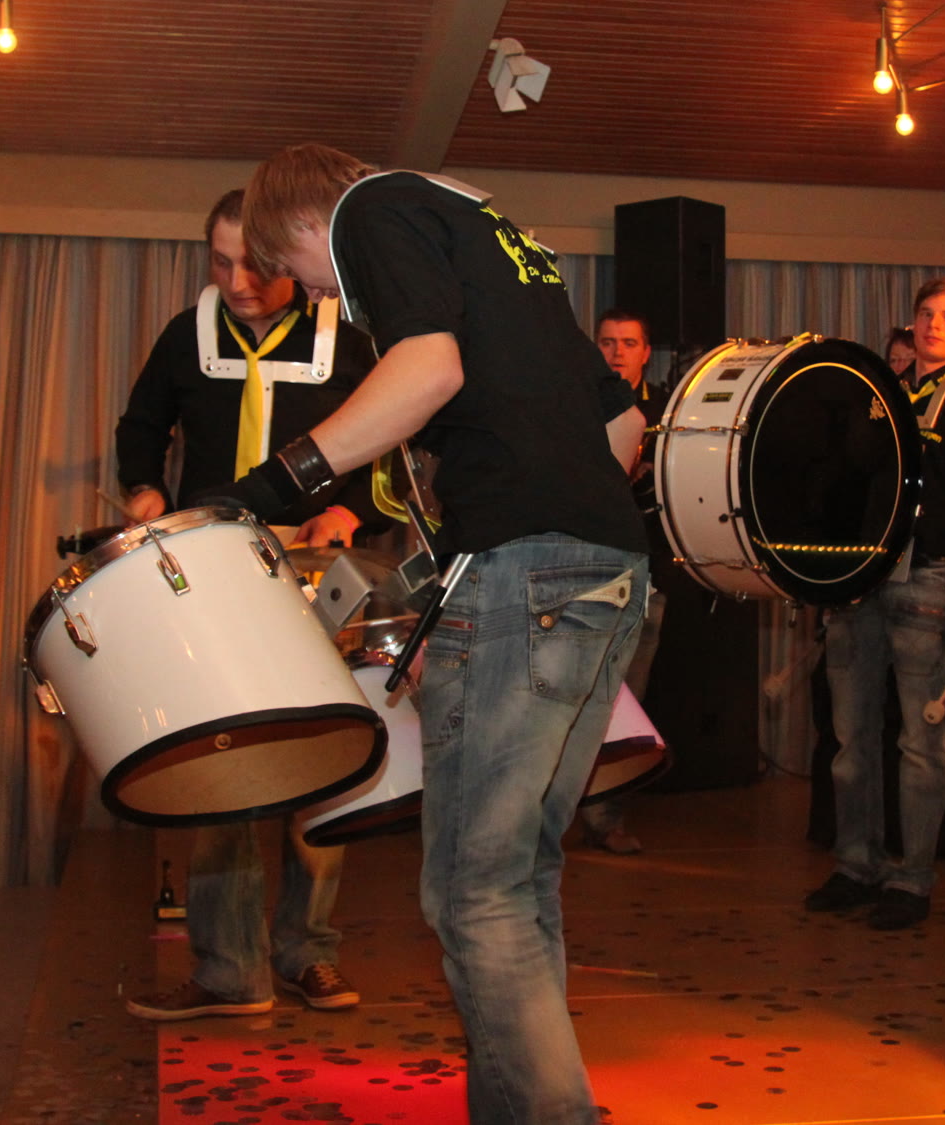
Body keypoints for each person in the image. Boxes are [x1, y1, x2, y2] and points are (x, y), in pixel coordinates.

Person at [236, 145, 648, 1125]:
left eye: (299, 273)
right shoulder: (496, 239)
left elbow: (427, 368)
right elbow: (624, 424)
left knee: (474, 895)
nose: (318, 295)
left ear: (307, 223)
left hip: (525, 576)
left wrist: (272, 485)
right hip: (611, 570)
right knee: (519, 880)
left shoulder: (374, 210)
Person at [117, 188, 380, 1020]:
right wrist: (144, 488)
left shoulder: (348, 340)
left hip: (314, 565)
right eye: (220, 261)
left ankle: (309, 952)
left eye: (254, 265)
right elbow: (141, 426)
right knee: (222, 761)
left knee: (321, 763)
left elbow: (391, 445)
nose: (237, 282)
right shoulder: (186, 335)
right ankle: (230, 968)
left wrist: (353, 511)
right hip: (215, 569)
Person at [806, 275, 945, 930]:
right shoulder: (881, 396)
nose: (933, 324)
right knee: (850, 737)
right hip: (859, 578)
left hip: (926, 577)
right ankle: (855, 864)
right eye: (925, 313)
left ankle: (912, 878)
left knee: (921, 742)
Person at [579, 308, 668, 854]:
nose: (616, 352)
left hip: (647, 572)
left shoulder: (667, 412)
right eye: (608, 342)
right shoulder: (576, 403)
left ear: (645, 353)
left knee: (630, 698)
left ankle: (607, 816)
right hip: (586, 569)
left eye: (628, 343)